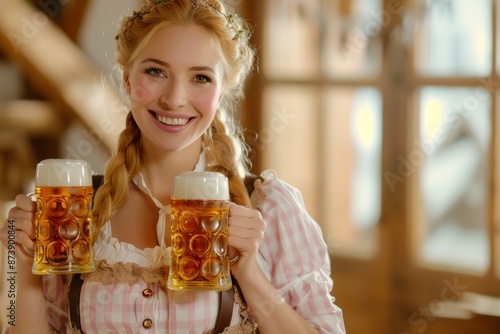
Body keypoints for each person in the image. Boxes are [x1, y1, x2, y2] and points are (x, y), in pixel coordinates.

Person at [0, 0, 346, 333]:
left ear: (222, 90)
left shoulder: (271, 208)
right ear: (127, 79)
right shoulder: (73, 213)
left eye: (200, 78)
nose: (174, 98)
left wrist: (249, 272)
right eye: (155, 71)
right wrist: (20, 265)